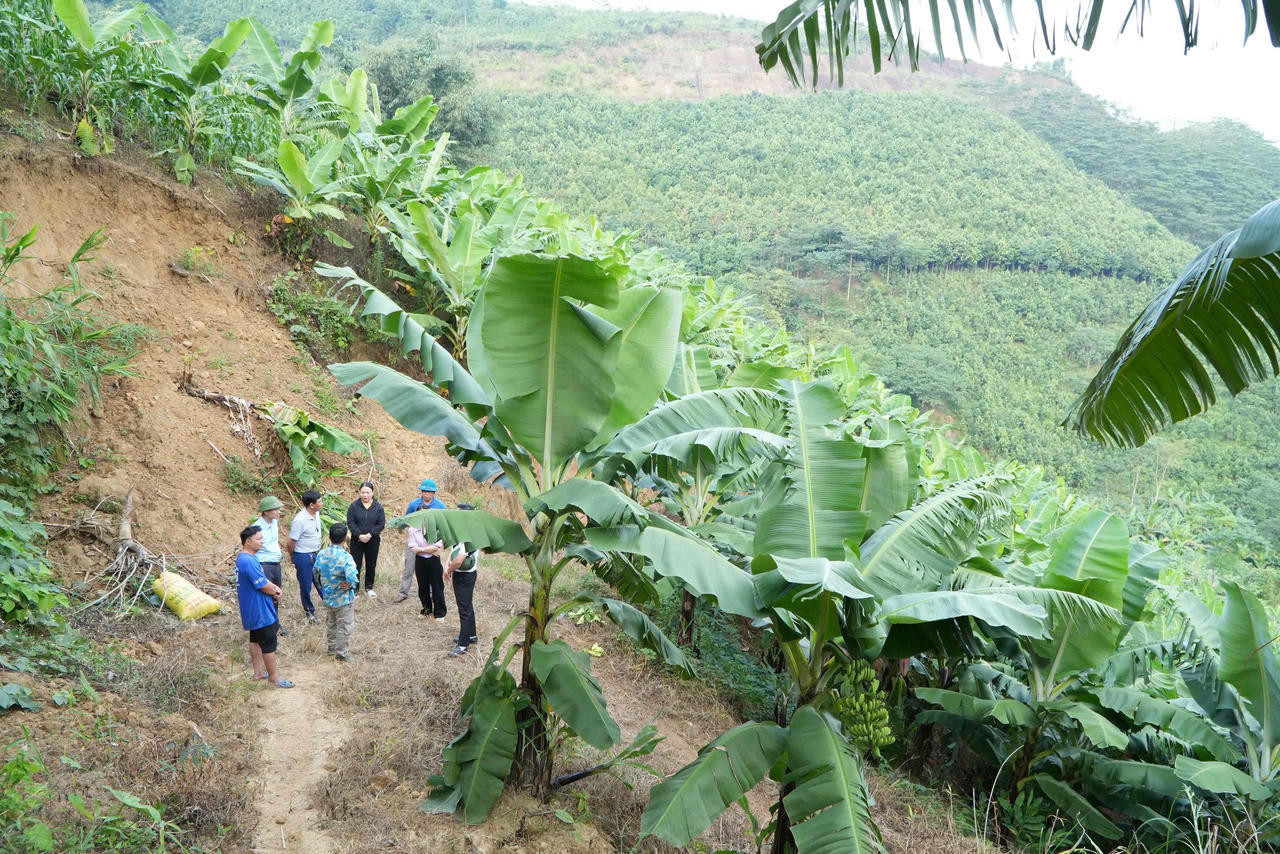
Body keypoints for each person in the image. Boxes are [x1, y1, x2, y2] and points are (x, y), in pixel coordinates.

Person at [236, 524, 293, 688]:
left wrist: (273, 587)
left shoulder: (244, 558)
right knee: (268, 643)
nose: (262, 542)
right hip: (260, 609)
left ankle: (258, 672)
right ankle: (274, 678)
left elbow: (261, 579)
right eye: (259, 539)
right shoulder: (249, 561)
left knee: (255, 639)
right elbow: (262, 585)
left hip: (251, 609)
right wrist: (274, 591)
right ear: (248, 541)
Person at [313, 523, 360, 661]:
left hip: (328, 597)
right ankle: (342, 653)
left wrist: (322, 586)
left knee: (331, 623)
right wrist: (350, 585)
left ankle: (331, 648)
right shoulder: (346, 557)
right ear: (345, 538)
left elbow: (315, 573)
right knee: (344, 626)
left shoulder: (321, 554)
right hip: (343, 599)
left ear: (330, 537)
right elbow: (352, 577)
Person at [395, 478, 446, 604]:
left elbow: (444, 525)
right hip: (414, 541)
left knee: (430, 569)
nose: (427, 494)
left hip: (431, 542)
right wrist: (400, 526)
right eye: (424, 491)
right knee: (409, 567)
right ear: (421, 492)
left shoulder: (440, 506)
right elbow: (407, 519)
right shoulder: (414, 504)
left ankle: (428, 594)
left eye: (430, 492)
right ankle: (403, 592)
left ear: (434, 493)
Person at [251, 495, 291, 636]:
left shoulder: (274, 523)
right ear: (266, 512)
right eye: (275, 510)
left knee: (276, 595)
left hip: (275, 564)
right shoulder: (256, 528)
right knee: (267, 595)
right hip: (264, 565)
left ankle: (274, 625)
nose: (278, 512)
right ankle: (265, 627)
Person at [287, 490, 324, 623]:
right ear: (311, 505)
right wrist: (293, 557)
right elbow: (291, 542)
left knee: (321, 581)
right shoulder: (300, 520)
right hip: (303, 556)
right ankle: (309, 611)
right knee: (306, 585)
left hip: (315, 553)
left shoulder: (316, 514)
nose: (322, 503)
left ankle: (330, 605)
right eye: (319, 501)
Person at [345, 482, 385, 598]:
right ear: (359, 493)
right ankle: (355, 589)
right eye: (363, 492)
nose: (365, 495)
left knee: (371, 564)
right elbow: (351, 522)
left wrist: (370, 534)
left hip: (373, 540)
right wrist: (359, 535)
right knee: (355, 565)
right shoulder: (354, 506)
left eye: (368, 492)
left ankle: (369, 587)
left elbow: (381, 524)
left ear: (372, 493)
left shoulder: (378, 507)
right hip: (357, 540)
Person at [444, 541, 480, 657]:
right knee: (467, 605)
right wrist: (446, 565)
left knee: (464, 609)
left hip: (464, 576)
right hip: (462, 575)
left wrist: (448, 571)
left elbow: (459, 561)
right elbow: (453, 550)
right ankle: (471, 635)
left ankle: (463, 644)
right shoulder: (461, 535)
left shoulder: (469, 539)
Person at [406, 524, 447, 619]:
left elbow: (437, 547)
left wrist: (421, 549)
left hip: (434, 559)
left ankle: (440, 613)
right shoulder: (413, 530)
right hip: (420, 560)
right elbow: (413, 548)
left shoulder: (437, 528)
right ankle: (426, 609)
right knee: (422, 586)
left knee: (437, 586)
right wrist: (428, 550)